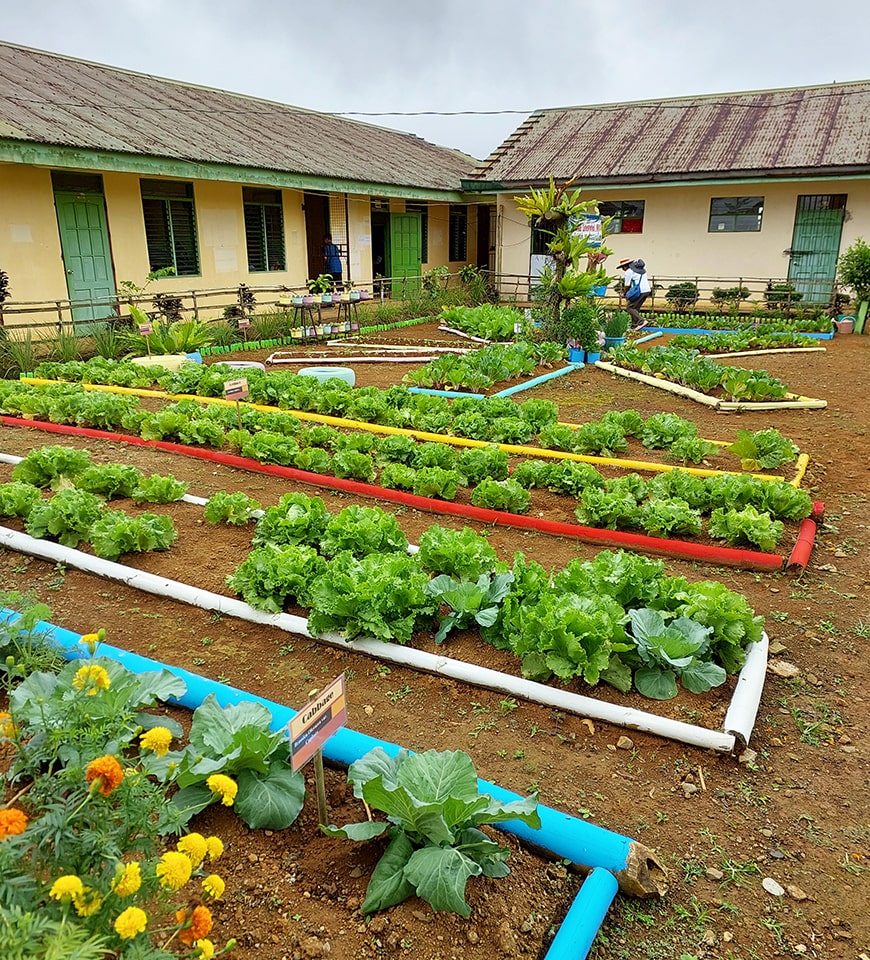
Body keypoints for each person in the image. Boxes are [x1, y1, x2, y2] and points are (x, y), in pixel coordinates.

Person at [617, 258, 652, 329]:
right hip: (646, 291)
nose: (622, 269)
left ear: (625, 266)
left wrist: (625, 294)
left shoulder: (629, 272)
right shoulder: (642, 270)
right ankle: (634, 326)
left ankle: (641, 321)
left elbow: (627, 285)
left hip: (639, 292)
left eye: (622, 267)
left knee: (629, 308)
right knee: (635, 308)